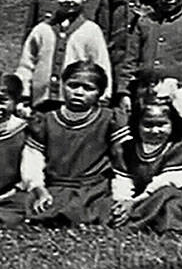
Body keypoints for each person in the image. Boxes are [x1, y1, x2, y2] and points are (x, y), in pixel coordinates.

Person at [22, 61, 130, 226]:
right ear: (62, 85)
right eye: (73, 86)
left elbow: (121, 163)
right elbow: (32, 160)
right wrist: (39, 189)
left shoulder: (109, 120)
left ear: (100, 92)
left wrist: (123, 196)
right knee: (16, 208)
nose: (79, 92)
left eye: (88, 88)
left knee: (97, 211)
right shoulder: (46, 120)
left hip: (92, 190)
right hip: (54, 187)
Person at [17, 0, 112, 110]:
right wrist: (23, 95)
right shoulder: (41, 30)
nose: (68, 0)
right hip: (41, 101)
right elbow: (27, 64)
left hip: (76, 103)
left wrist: (104, 95)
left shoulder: (91, 30)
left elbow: (101, 64)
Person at [111, 99, 182, 230]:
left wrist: (134, 202)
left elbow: (168, 181)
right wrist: (123, 200)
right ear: (136, 124)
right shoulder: (126, 148)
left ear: (172, 124)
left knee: (171, 201)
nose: (155, 131)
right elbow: (122, 179)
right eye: (148, 125)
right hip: (135, 198)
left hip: (158, 196)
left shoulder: (180, 147)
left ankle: (139, 221)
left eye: (162, 124)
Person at [0, 74, 30, 227]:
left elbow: (28, 171)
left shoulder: (23, 131)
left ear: (16, 102)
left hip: (10, 193)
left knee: (24, 204)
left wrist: (12, 192)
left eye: (2, 101)